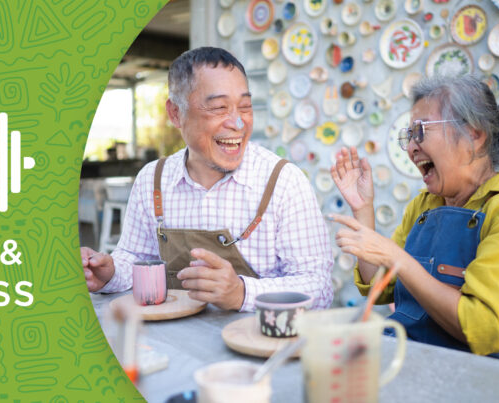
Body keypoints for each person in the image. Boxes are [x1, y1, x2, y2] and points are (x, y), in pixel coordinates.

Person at [81, 47, 333, 312]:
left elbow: (320, 287)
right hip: (175, 346)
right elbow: (135, 260)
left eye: (245, 107)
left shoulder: (283, 181)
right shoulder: (151, 181)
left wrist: (242, 293)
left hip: (261, 347)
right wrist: (108, 273)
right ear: (176, 113)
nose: (237, 122)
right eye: (218, 108)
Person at [329, 74, 499, 364]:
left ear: (475, 134)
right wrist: (363, 209)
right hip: (409, 361)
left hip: (479, 379)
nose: (410, 148)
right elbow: (380, 286)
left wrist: (400, 259)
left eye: (420, 131)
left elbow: (481, 329)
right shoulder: (423, 206)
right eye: (409, 136)